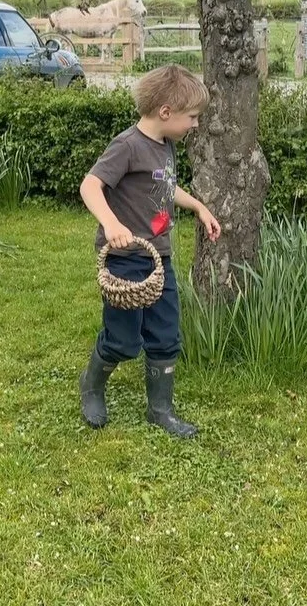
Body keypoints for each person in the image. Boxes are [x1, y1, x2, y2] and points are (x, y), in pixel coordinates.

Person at [79, 64, 221, 438]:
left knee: (165, 335)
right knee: (123, 341)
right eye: (192, 117)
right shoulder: (127, 145)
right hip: (125, 261)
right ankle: (91, 385)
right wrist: (112, 224)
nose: (194, 124)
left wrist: (198, 207)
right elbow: (90, 186)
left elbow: (166, 187)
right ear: (166, 112)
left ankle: (161, 410)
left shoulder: (165, 147)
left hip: (160, 259)